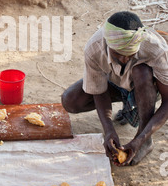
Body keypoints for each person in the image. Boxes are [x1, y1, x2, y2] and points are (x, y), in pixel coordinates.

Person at [61, 11, 168, 166]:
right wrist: (109, 130)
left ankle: (145, 141)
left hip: (147, 86)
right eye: (118, 54)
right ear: (108, 44)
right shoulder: (95, 48)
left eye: (130, 55)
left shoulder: (156, 49)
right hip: (115, 83)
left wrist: (140, 139)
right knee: (70, 100)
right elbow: (98, 91)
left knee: (141, 72)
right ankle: (127, 108)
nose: (124, 59)